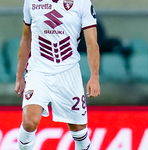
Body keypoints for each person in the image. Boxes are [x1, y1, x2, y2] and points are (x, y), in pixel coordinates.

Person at [14, 0, 100, 149]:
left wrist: (94, 77)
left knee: (79, 131)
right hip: (38, 70)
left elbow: (92, 43)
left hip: (68, 71)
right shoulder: (31, 2)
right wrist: (19, 77)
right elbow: (26, 38)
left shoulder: (82, 3)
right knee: (29, 122)